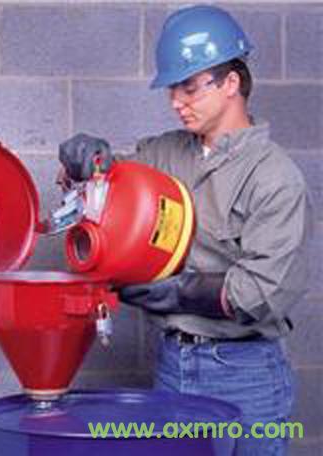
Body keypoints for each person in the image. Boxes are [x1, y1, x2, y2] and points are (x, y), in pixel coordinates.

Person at [58, 5, 312, 455]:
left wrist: (179, 292)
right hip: (173, 363)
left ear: (230, 83)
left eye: (189, 86)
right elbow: (106, 180)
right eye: (173, 88)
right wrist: (83, 163)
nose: (176, 100)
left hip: (245, 373)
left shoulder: (274, 178)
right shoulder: (165, 154)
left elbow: (262, 291)